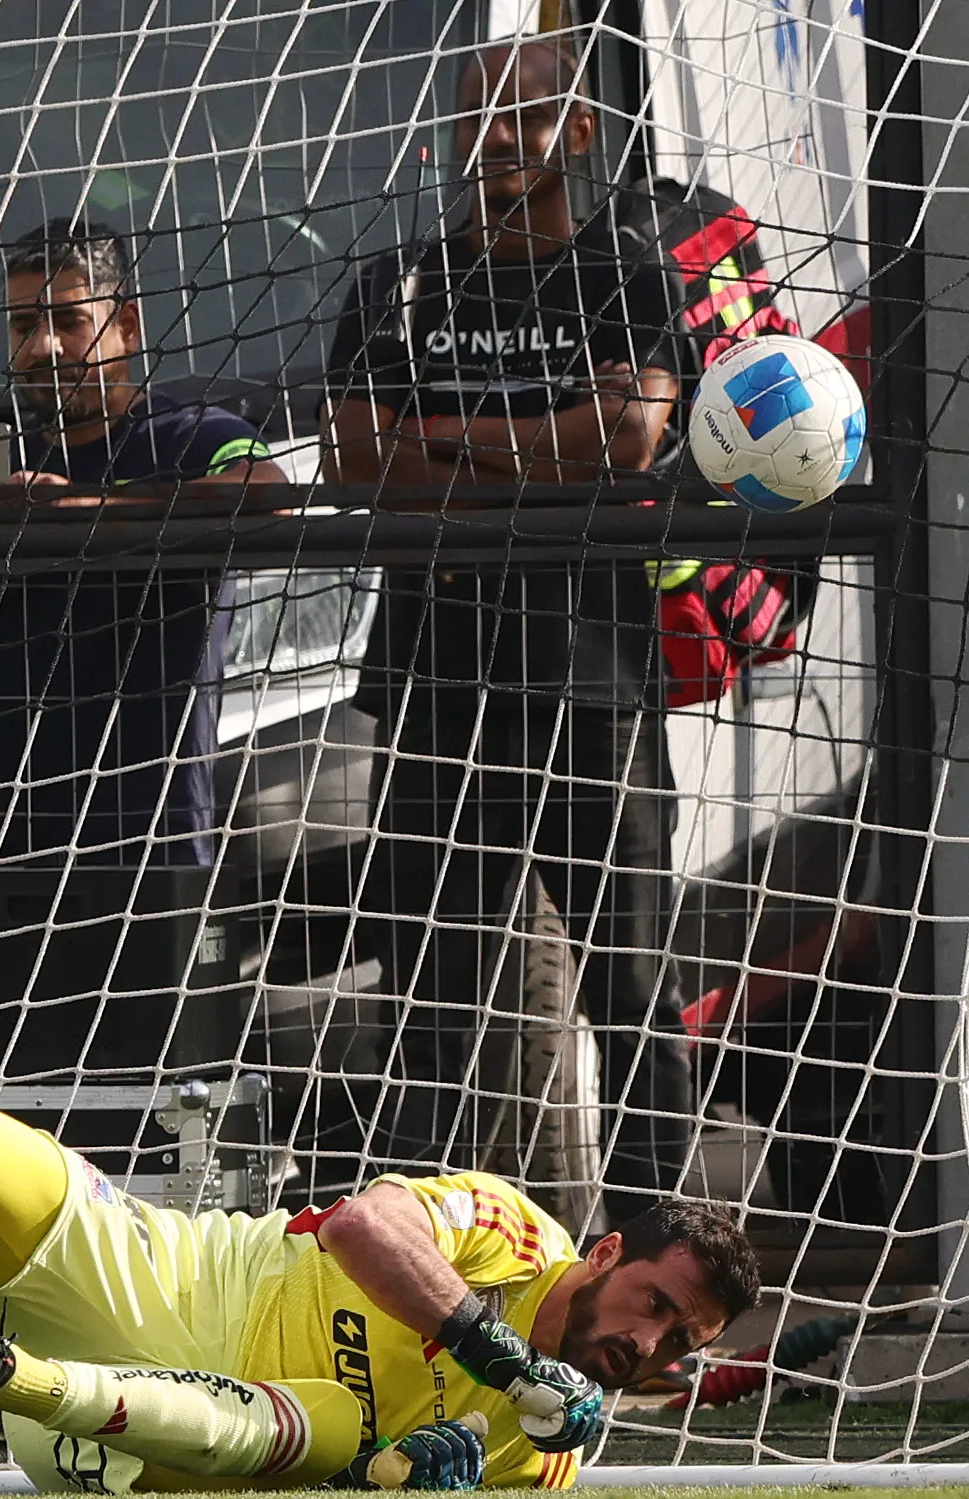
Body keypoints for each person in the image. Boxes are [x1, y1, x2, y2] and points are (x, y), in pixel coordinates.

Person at [0, 1087, 757, 1492]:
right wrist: (493, 1354)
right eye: (652, 1302)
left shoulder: (552, 1454)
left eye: (676, 1339)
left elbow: (375, 1491)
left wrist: (409, 1480)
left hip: (113, 1424)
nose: (646, 1343)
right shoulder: (511, 1229)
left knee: (316, 1427)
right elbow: (365, 1223)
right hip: (171, 1264)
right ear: (602, 1255)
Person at [321, 39, 691, 1222]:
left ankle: (649, 1258)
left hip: (592, 681)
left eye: (522, 120)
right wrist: (544, 454)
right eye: (475, 121)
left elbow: (628, 442)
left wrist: (453, 442)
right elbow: (356, 461)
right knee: (432, 1001)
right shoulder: (399, 286)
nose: (492, 144)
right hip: (435, 684)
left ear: (576, 133)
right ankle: (434, 1270)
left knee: (631, 991)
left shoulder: (627, 275)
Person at [0, 219, 286, 871]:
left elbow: (267, 491)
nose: (42, 346)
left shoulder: (195, 434)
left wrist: (79, 508)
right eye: (22, 326)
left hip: (148, 839)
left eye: (68, 320)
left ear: (126, 326)